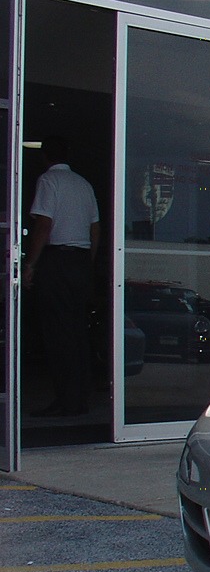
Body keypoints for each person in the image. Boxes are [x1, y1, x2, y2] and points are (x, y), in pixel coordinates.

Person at [22, 137, 100, 417]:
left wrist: (31, 263)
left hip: (58, 260)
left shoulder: (48, 181)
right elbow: (95, 229)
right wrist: (86, 262)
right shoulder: (83, 184)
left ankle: (65, 399)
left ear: (45, 157)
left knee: (57, 333)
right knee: (78, 332)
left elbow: (44, 224)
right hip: (79, 260)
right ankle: (79, 397)